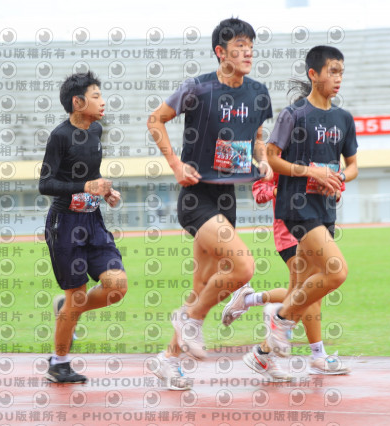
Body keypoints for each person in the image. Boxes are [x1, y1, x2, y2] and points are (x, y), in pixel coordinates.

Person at [145, 17, 275, 390]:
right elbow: (155, 120)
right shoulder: (198, 89)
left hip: (227, 197)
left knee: (202, 282)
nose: (248, 52)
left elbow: (258, 136)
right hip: (196, 196)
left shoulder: (258, 93)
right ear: (221, 52)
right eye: (239, 46)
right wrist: (175, 164)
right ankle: (191, 320)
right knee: (243, 267)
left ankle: (168, 360)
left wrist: (263, 160)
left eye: (251, 46)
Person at [260, 45, 358, 362]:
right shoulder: (294, 115)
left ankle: (263, 354)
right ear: (313, 74)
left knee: (301, 286)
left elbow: (353, 167)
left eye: (341, 72)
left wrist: (338, 177)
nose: (338, 78)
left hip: (325, 209)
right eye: (332, 71)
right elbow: (272, 159)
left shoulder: (344, 118)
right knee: (336, 271)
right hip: (296, 207)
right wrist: (310, 172)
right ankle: (281, 318)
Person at [39, 71, 127, 383]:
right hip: (65, 224)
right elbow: (46, 184)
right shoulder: (60, 136)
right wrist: (86, 186)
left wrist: (105, 191)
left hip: (93, 220)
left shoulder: (96, 130)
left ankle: (67, 309)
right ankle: (59, 363)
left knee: (117, 286)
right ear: (77, 103)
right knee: (76, 295)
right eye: (96, 96)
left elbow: (90, 175)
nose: (103, 102)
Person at [222, 172, 350, 380]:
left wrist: (333, 190)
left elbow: (338, 186)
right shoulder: (283, 157)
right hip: (291, 231)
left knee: (301, 293)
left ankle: (262, 348)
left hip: (319, 227)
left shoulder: (321, 154)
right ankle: (317, 357)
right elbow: (259, 190)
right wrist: (282, 191)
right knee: (309, 295)